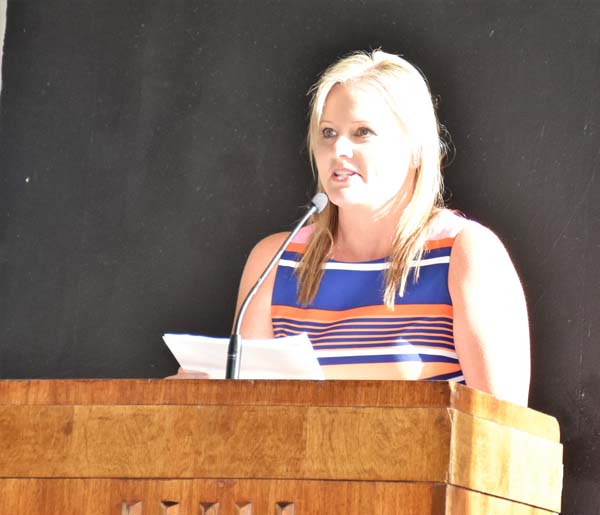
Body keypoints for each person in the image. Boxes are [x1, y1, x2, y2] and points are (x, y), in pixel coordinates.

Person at [178, 50, 530, 406]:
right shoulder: (276, 261)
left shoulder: (464, 254)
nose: (338, 148)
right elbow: (245, 418)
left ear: (416, 150)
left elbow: (504, 437)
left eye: (362, 132)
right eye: (328, 133)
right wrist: (205, 400)